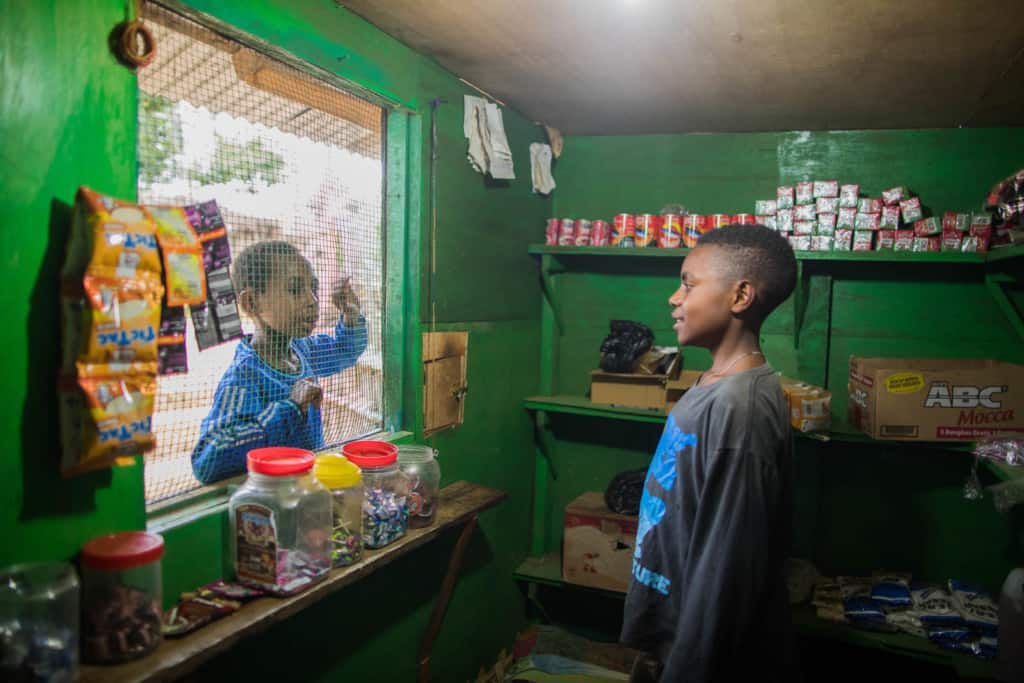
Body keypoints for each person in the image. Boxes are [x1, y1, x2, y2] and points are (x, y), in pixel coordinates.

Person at [620, 224, 799, 682]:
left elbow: (728, 572)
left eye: (688, 283)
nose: (674, 298)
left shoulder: (742, 412)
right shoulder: (714, 385)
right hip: (673, 630)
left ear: (740, 296)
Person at [191, 241, 367, 484]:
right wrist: (289, 409)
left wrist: (351, 314)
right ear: (252, 303)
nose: (312, 300)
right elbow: (207, 461)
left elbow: (345, 349)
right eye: (295, 289)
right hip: (273, 501)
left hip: (308, 493)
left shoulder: (303, 351)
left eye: (313, 289)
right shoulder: (245, 377)